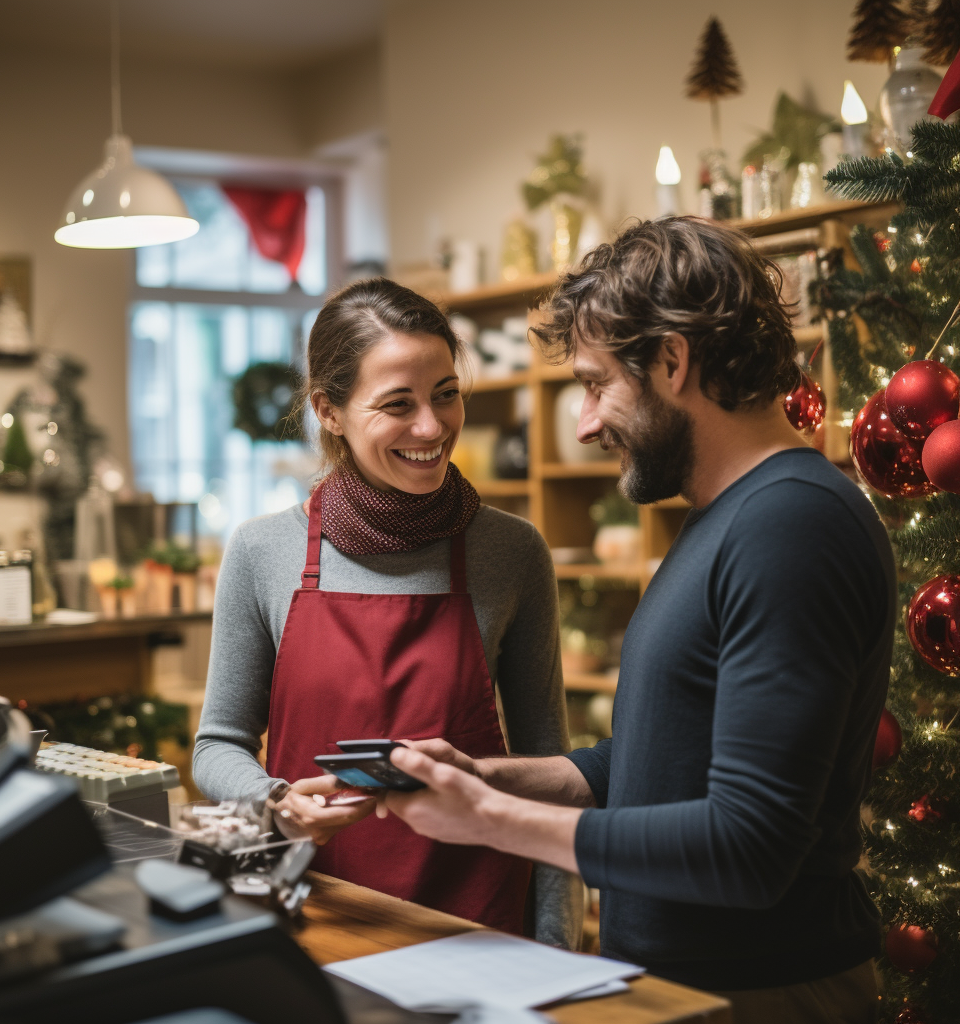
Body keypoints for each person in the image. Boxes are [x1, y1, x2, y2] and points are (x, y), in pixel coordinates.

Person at [379, 219, 895, 1024]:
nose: (584, 424)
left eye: (594, 384)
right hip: (687, 985)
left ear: (672, 361)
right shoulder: (728, 518)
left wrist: (489, 822)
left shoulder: (791, 526)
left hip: (765, 992)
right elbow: (661, 760)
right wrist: (491, 778)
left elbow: (750, 847)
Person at [193, 277, 581, 946]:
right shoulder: (263, 551)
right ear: (330, 411)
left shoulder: (511, 552)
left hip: (479, 929)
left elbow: (550, 770)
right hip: (317, 916)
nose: (431, 427)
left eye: (446, 395)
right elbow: (218, 745)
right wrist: (276, 801)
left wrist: (557, 945)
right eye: (398, 404)